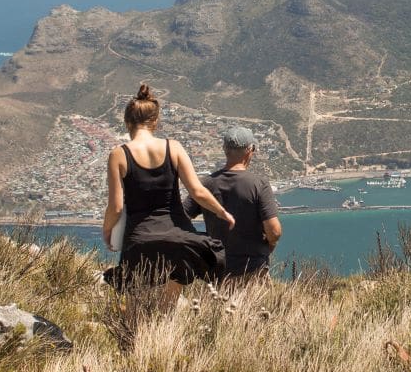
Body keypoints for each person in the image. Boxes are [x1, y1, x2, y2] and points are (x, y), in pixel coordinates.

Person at [103, 84, 234, 299]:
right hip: (178, 238)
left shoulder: (118, 154)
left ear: (127, 122)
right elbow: (198, 192)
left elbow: (116, 207)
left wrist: (107, 231)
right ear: (155, 122)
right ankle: (164, 330)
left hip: (140, 240)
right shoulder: (173, 147)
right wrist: (222, 212)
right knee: (168, 304)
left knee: (135, 307)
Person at [184, 125, 282, 283]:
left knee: (218, 308)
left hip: (217, 272)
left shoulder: (207, 184)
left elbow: (181, 216)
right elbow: (274, 231)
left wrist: (201, 242)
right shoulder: (259, 184)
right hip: (252, 271)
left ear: (224, 150)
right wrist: (268, 247)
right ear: (250, 150)